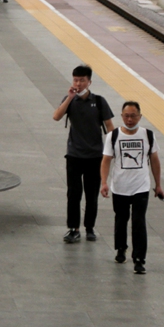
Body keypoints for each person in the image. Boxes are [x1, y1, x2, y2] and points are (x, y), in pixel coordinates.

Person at [53, 64, 115, 244]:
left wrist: (112, 150)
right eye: (75, 80)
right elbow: (56, 116)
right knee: (73, 193)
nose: (78, 83)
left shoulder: (99, 101)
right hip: (74, 155)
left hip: (95, 156)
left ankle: (89, 227)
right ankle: (73, 228)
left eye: (82, 80)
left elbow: (110, 126)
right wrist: (69, 98)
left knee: (91, 193)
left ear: (89, 82)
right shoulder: (70, 99)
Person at [100, 101, 164, 274]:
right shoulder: (113, 136)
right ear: (122, 116)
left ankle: (139, 259)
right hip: (120, 186)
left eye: (133, 116)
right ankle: (121, 249)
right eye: (126, 116)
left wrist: (158, 184)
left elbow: (155, 160)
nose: (129, 119)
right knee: (121, 219)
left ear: (140, 116)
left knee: (139, 221)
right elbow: (106, 160)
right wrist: (104, 182)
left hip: (141, 186)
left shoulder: (148, 135)